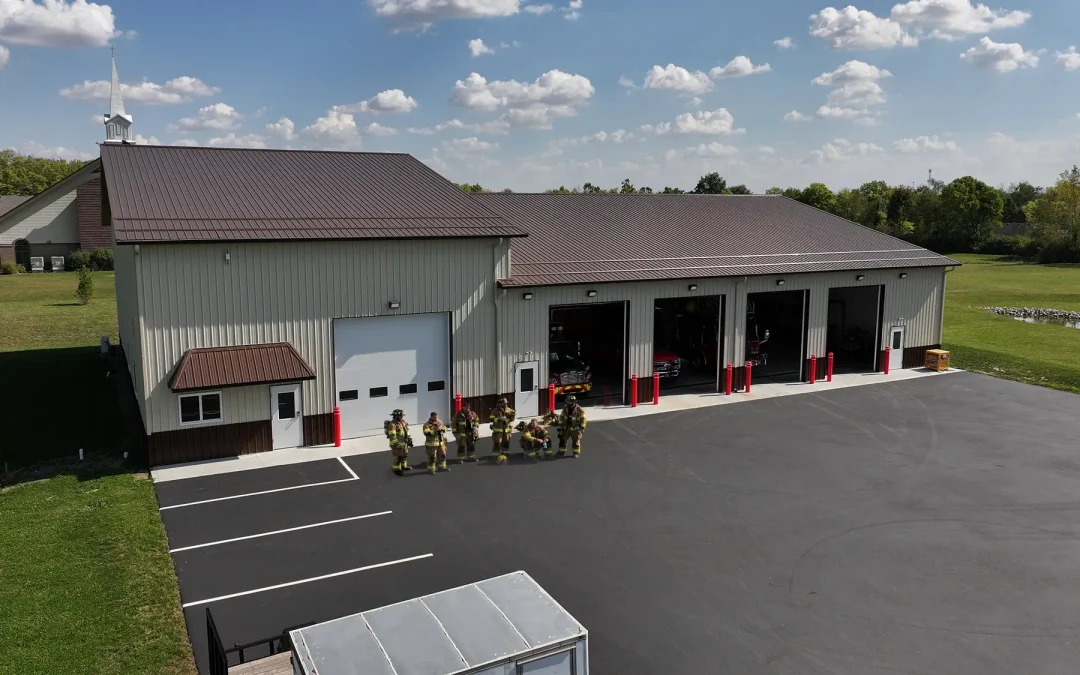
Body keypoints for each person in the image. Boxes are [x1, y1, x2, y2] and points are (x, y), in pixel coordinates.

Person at [489, 397, 516, 464]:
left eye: (506, 403)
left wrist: (513, 415)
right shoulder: (495, 411)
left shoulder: (509, 410)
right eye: (504, 403)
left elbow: (512, 420)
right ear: (500, 403)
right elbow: (491, 418)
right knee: (497, 444)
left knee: (506, 443)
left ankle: (505, 455)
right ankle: (496, 456)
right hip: (498, 431)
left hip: (506, 431)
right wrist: (499, 419)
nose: (506, 405)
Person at [385, 409, 412, 476]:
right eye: (401, 416)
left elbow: (406, 430)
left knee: (404, 455)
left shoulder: (402, 422)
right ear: (397, 416)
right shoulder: (392, 425)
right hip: (397, 444)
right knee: (398, 457)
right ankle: (396, 469)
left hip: (404, 443)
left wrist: (409, 439)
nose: (402, 417)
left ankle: (403, 466)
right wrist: (396, 444)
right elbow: (392, 435)